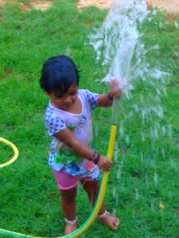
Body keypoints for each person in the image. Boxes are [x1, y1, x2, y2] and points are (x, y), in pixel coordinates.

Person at [39, 55, 122, 235]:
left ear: (77, 86)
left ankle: (102, 214)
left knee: (94, 187)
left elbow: (103, 101)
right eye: (59, 96)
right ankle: (71, 221)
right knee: (69, 195)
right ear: (48, 93)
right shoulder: (52, 117)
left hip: (86, 159)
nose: (68, 100)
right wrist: (97, 158)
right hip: (66, 161)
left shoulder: (83, 96)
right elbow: (72, 142)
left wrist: (112, 95)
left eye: (72, 93)